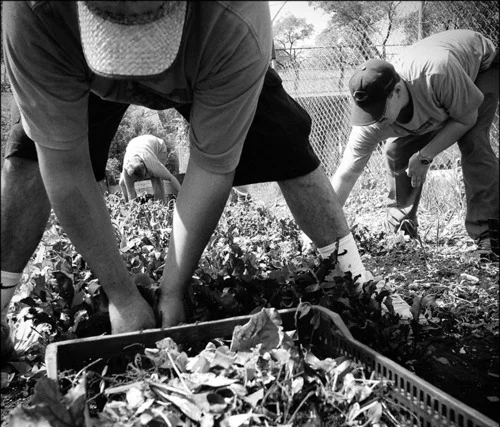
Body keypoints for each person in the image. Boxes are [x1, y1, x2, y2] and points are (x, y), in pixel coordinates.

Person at [1, 1, 371, 364]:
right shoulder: (33, 14)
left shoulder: (237, 21)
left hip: (207, 57)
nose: (137, 74)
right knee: (29, 154)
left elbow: (212, 166)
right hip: (77, 63)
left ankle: (355, 281)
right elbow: (64, 165)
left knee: (284, 141)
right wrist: (121, 296)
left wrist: (173, 288)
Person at [330, 29, 499, 259]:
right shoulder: (372, 119)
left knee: (473, 141)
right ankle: (403, 228)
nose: (373, 122)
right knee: (395, 150)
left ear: (397, 91)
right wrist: (323, 228)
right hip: (433, 95)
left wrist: (424, 156)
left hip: (480, 66)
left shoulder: (437, 73)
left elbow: (465, 119)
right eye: (367, 114)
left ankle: (489, 236)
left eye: (379, 114)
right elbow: (346, 173)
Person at [119, 134, 181, 203]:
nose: (142, 180)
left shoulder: (153, 165)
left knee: (156, 179)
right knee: (122, 183)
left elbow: (171, 178)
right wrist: (131, 207)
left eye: (144, 176)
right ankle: (125, 204)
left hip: (159, 147)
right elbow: (131, 192)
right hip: (135, 144)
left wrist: (183, 194)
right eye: (138, 179)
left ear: (145, 166)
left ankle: (161, 206)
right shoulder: (126, 170)